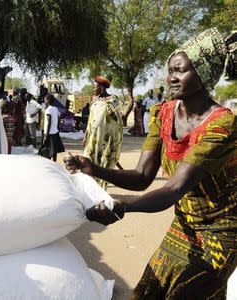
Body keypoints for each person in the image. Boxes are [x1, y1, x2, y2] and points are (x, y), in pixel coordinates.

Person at [64, 28, 237, 299]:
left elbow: (174, 189)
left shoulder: (222, 125)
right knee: (151, 289)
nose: (171, 78)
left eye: (180, 71)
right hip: (185, 224)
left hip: (222, 229)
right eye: (170, 70)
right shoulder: (164, 113)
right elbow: (143, 175)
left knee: (191, 289)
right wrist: (94, 169)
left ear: (203, 73)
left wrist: (122, 207)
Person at [83, 76, 123, 189]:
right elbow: (90, 119)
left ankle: (100, 191)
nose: (93, 88)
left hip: (106, 140)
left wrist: (116, 140)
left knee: (103, 164)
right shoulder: (94, 100)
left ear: (101, 87)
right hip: (93, 139)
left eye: (94, 86)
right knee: (88, 162)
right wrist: (86, 134)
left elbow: (117, 122)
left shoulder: (113, 100)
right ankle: (89, 191)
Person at [41, 94, 65, 161]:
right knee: (54, 151)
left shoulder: (48, 110)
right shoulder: (55, 108)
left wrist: (46, 135)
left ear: (47, 101)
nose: (44, 101)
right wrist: (57, 126)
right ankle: (54, 163)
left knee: (47, 150)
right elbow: (59, 117)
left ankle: (48, 164)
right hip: (55, 132)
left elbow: (48, 122)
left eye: (45, 99)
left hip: (49, 133)